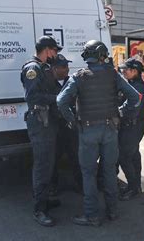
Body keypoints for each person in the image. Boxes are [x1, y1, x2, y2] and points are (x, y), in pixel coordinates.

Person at [57, 40, 140, 227]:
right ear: (102, 54)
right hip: (110, 130)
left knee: (88, 174)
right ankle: (113, 211)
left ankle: (91, 215)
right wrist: (121, 112)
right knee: (109, 172)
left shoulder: (79, 77)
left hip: (87, 131)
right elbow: (134, 98)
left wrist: (72, 121)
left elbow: (61, 102)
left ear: (87, 56)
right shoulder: (113, 74)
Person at [20, 36, 62, 227]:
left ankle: (45, 200)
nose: (56, 54)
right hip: (40, 121)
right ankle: (39, 209)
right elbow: (33, 97)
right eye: (55, 51)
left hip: (48, 121)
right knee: (43, 165)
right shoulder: (33, 69)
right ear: (47, 50)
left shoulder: (44, 67)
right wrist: (58, 98)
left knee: (50, 163)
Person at [117, 58, 144, 201]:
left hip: (133, 125)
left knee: (124, 156)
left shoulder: (139, 87)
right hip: (130, 125)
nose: (123, 71)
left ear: (135, 71)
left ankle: (133, 187)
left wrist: (117, 112)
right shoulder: (131, 84)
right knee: (134, 155)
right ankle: (136, 185)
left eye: (126, 69)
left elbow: (132, 108)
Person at [50, 54, 82, 196]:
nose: (67, 69)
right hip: (54, 127)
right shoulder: (48, 83)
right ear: (55, 69)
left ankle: (80, 185)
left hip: (70, 126)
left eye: (67, 66)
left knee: (76, 157)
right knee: (53, 159)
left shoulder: (71, 81)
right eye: (63, 67)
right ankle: (53, 186)